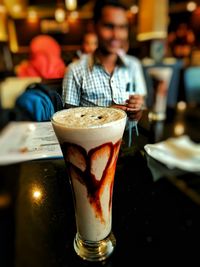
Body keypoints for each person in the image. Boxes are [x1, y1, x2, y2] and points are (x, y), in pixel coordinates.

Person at [62, 0, 147, 114]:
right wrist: (105, 114)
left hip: (133, 132)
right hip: (93, 133)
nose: (116, 35)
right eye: (108, 26)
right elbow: (68, 119)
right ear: (94, 27)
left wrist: (139, 108)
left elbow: (143, 106)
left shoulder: (133, 65)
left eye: (122, 27)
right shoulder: (75, 70)